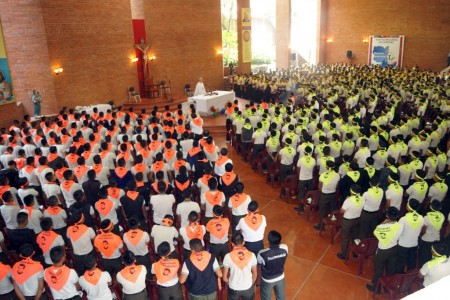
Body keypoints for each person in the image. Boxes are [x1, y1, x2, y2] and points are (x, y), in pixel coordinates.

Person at [367, 207, 403, 292]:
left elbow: (375, 232)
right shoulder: (400, 225)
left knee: (379, 269)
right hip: (394, 248)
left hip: (382, 251)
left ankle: (376, 288)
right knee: (391, 269)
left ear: (387, 216)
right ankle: (387, 287)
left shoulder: (381, 228)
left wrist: (385, 221)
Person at [223, 232, 257, 300]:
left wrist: (229, 282)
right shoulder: (252, 255)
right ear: (244, 242)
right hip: (248, 287)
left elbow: (224, 278)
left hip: (234, 288)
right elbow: (255, 274)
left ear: (232, 244)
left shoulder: (228, 256)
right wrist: (251, 283)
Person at [257, 230, 288, 300]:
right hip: (280, 276)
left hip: (267, 280)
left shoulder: (262, 253)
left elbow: (259, 262)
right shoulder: (285, 248)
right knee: (281, 297)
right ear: (280, 240)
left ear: (269, 240)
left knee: (266, 297)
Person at [337, 185, 364, 260]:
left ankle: (343, 254)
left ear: (351, 191)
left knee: (345, 238)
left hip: (347, 221)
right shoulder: (362, 199)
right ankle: (355, 253)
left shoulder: (348, 200)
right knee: (355, 237)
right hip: (357, 220)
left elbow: (342, 211)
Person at [396, 199, 424, 273]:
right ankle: (408, 281)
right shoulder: (421, 218)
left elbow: (398, 232)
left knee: (400, 264)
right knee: (411, 264)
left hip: (403, 245)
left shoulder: (403, 219)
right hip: (414, 244)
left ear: (408, 207)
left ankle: (399, 281)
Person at [314, 161, 340, 231]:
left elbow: (319, 187)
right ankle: (333, 225)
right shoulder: (337, 175)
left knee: (322, 210)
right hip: (333, 194)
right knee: (332, 210)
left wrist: (324, 192)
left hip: (324, 195)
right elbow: (337, 186)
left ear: (326, 167)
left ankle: (321, 226)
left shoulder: (322, 175)